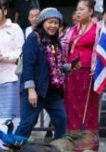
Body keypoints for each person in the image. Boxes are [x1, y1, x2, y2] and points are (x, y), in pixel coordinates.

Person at [17, 8, 68, 140]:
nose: (53, 26)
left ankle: (59, 151)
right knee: (27, 123)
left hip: (53, 92)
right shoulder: (34, 38)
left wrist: (68, 67)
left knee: (61, 120)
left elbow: (55, 67)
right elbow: (28, 65)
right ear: (42, 22)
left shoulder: (55, 42)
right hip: (36, 90)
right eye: (50, 22)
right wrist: (31, 90)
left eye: (56, 23)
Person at [63, 0, 106, 152]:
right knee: (72, 111)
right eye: (77, 9)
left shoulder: (98, 29)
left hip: (88, 75)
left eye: (82, 9)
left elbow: (105, 52)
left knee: (89, 113)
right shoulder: (71, 30)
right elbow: (64, 51)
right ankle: (73, 148)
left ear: (91, 11)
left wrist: (97, 67)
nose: (78, 12)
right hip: (72, 76)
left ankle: (89, 149)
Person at [0, 0, 24, 122]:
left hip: (12, 78)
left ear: (5, 11)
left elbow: (20, 53)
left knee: (12, 115)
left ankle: (11, 140)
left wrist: (5, 56)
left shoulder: (15, 28)